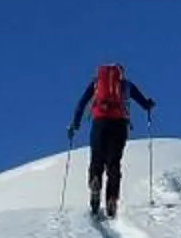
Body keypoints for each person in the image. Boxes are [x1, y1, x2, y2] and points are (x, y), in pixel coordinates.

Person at [67, 61, 156, 218]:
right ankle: (112, 198)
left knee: (97, 158)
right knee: (114, 162)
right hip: (119, 125)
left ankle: (95, 182)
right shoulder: (127, 85)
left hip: (99, 123)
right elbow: (144, 103)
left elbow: (81, 103)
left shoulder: (95, 84)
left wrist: (75, 123)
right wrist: (149, 105)